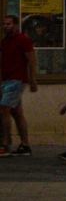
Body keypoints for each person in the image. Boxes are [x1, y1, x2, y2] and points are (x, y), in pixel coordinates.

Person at [0, 14, 38, 157]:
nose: (5, 27)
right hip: (6, 80)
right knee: (17, 113)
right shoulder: (4, 42)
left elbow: (32, 60)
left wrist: (33, 79)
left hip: (17, 80)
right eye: (4, 24)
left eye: (8, 24)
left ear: (16, 25)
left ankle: (5, 144)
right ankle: (25, 144)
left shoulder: (23, 40)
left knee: (4, 109)